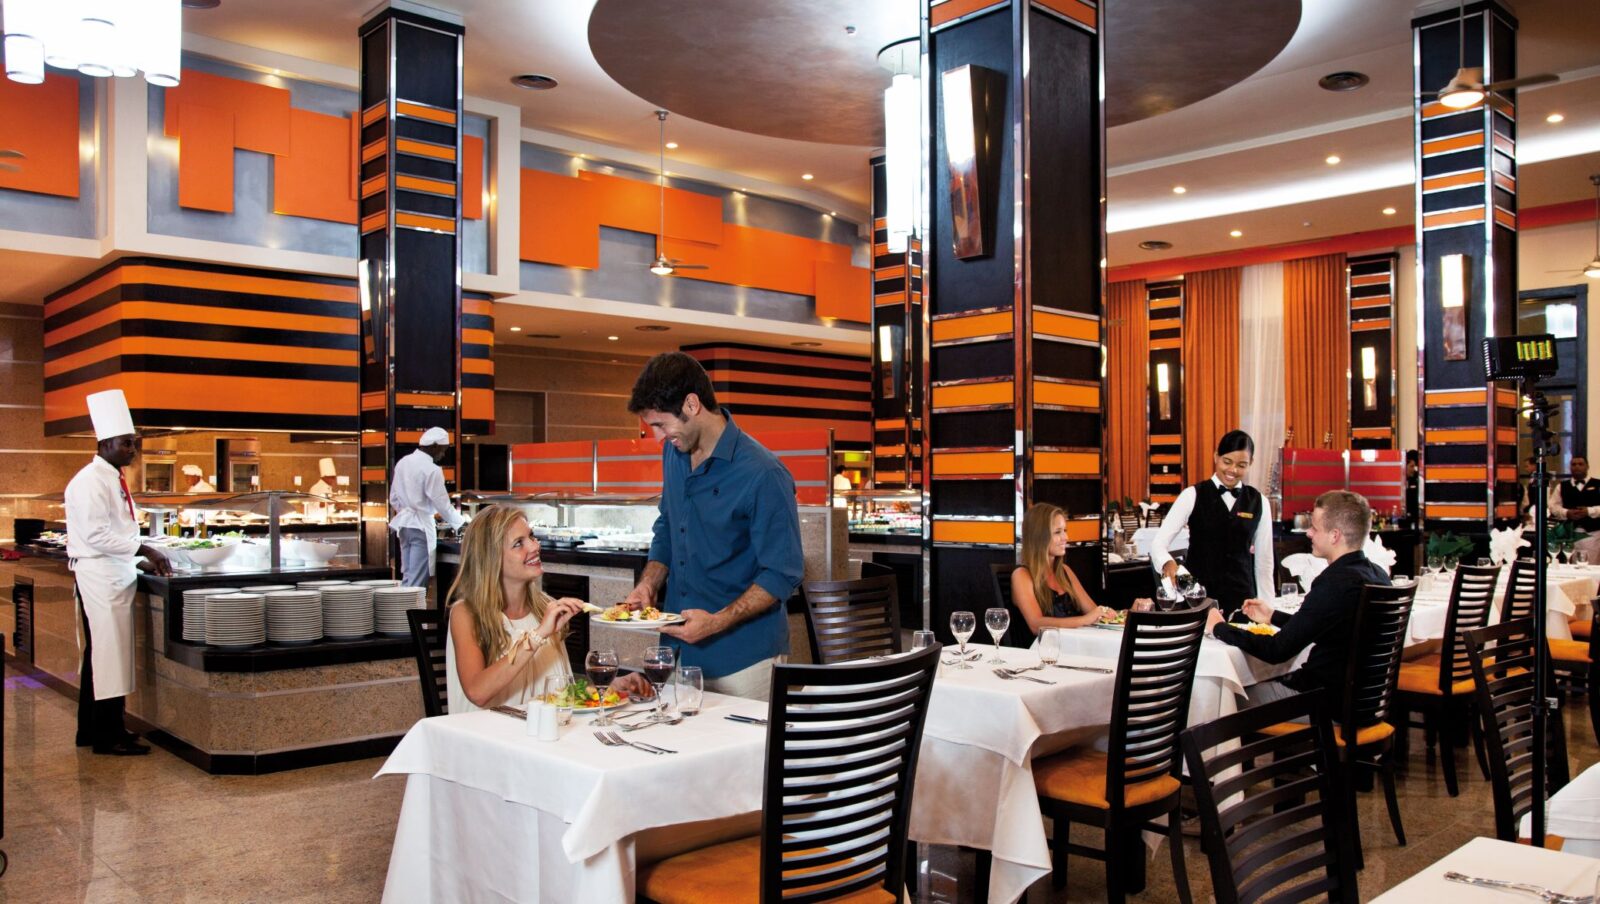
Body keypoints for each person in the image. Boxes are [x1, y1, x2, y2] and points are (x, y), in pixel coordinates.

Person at [622, 352, 805, 701]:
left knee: (746, 757)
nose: (659, 437)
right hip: (679, 653)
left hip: (744, 660)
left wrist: (716, 621)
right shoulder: (673, 454)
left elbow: (781, 574)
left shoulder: (764, 474)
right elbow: (668, 526)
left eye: (661, 425)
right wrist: (648, 583)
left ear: (691, 405)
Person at [445, 505, 649, 712]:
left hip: (542, 735)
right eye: (518, 544)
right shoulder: (466, 613)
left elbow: (555, 693)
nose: (534, 547)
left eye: (532, 537)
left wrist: (606, 688)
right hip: (489, 736)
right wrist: (538, 635)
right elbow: (477, 692)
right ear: (490, 558)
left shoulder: (544, 606)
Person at [1206, 490, 1390, 707]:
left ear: (1334, 535)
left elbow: (1276, 651)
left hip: (1324, 704)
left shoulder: (1334, 582)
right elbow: (1325, 624)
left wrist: (1219, 627)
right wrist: (1272, 616)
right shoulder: (1378, 575)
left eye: (1314, 527)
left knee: (1220, 698)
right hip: (1365, 703)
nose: (1309, 533)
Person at [65, 389, 171, 756]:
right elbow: (96, 534)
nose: (133, 450)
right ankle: (108, 736)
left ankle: (93, 730)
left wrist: (134, 558)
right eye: (127, 444)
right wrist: (144, 548)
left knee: (104, 656)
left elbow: (117, 530)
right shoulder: (90, 481)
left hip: (112, 572)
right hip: (100, 577)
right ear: (107, 443)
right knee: (107, 656)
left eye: (134, 443)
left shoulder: (111, 476)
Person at [1150, 430, 1275, 616]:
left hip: (1243, 602)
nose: (1233, 470)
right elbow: (1157, 545)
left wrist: (1268, 610)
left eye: (1241, 465)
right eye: (1227, 462)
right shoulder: (1192, 495)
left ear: (1251, 464)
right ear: (1216, 456)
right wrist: (1167, 562)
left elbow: (1264, 563)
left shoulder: (1259, 502)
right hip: (1197, 599)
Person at [1011, 503, 1115, 633]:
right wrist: (1085, 620)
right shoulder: (1022, 575)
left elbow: (1094, 612)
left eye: (1065, 531)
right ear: (1039, 537)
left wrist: (1127, 613)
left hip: (1076, 646)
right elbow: (1036, 624)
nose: (1066, 537)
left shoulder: (1065, 571)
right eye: (1057, 532)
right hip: (1043, 651)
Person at [389, 427, 465, 589]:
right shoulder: (432, 470)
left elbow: (394, 498)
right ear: (435, 446)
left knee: (408, 576)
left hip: (404, 526)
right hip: (420, 528)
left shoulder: (403, 462)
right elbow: (442, 504)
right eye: (443, 450)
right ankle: (412, 613)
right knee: (417, 582)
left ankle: (402, 612)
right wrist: (461, 522)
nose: (443, 455)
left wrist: (407, 510)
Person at [1552, 454, 1600, 532]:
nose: (1577, 466)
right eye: (1573, 464)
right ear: (1570, 467)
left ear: (1587, 466)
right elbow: (1553, 506)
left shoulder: (1598, 484)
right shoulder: (1561, 486)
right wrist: (1566, 513)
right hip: (1568, 532)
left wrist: (1589, 511)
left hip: (1594, 533)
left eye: (1580, 464)